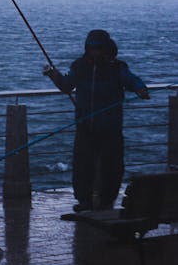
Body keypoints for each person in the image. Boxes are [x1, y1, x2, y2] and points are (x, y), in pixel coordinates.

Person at [44, 29, 149, 212]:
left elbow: (131, 80)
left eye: (98, 48)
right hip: (85, 126)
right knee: (82, 166)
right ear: (87, 48)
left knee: (112, 166)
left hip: (110, 127)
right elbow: (67, 86)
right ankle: (84, 201)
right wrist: (54, 74)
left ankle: (107, 201)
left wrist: (140, 89)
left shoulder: (117, 67)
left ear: (106, 48)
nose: (95, 52)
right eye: (91, 48)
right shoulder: (79, 66)